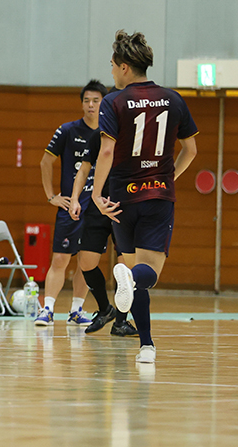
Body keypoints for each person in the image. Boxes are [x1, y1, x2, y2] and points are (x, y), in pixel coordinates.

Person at [93, 30, 197, 364]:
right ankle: (146, 344)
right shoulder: (173, 99)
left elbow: (106, 151)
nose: (111, 71)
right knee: (146, 273)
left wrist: (96, 194)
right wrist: (168, 178)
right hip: (157, 196)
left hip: (121, 199)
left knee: (132, 270)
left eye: (112, 65)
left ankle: (147, 346)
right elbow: (191, 149)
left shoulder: (113, 101)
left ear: (124, 67)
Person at [34, 80, 107, 327]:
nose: (91, 105)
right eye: (86, 100)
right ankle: (47, 309)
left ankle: (76, 310)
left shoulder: (109, 133)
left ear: (104, 103)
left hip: (96, 210)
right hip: (70, 208)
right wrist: (51, 196)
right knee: (60, 259)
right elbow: (45, 162)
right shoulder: (67, 130)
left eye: (96, 100)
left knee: (87, 263)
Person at [69, 95, 139, 337]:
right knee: (86, 262)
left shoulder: (135, 137)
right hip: (98, 206)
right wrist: (75, 198)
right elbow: (84, 169)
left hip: (125, 207)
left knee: (125, 267)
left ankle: (121, 321)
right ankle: (105, 308)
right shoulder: (97, 136)